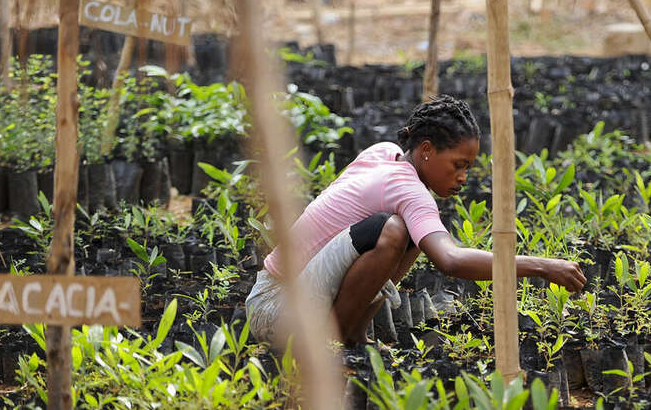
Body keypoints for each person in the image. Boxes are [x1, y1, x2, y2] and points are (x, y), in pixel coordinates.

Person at [245, 95, 586, 346]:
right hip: (279, 310)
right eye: (458, 164)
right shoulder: (408, 190)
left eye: (468, 167)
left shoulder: (383, 153)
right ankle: (334, 344)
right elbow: (450, 260)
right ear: (426, 150)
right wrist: (541, 266)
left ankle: (352, 336)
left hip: (277, 297)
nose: (463, 177)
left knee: (405, 231)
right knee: (392, 230)